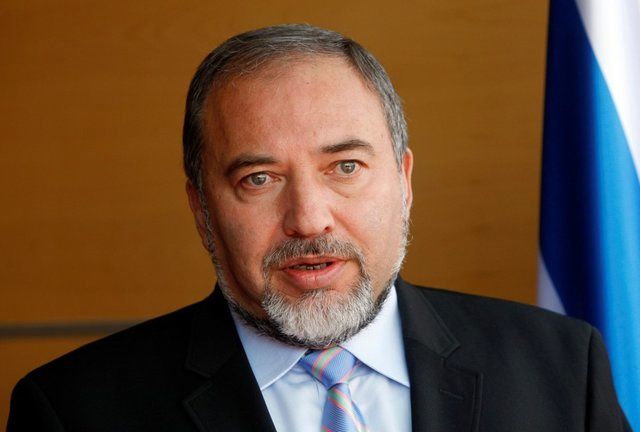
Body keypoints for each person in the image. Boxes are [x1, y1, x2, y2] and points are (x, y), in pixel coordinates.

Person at [8, 24, 631, 432]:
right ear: (201, 209)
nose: (308, 218)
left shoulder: (561, 369)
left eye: (345, 167)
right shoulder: (74, 412)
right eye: (259, 178)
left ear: (404, 180)